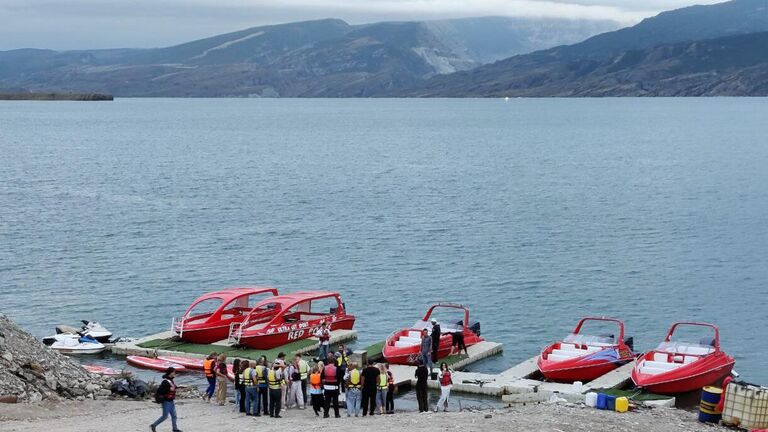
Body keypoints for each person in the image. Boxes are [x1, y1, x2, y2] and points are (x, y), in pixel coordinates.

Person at [150, 367, 182, 432]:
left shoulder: (170, 380)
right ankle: (153, 425)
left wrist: (178, 388)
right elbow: (160, 391)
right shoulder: (165, 382)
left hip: (171, 400)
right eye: (174, 372)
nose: (175, 373)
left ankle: (175, 429)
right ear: (170, 373)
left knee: (174, 415)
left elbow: (173, 388)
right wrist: (169, 389)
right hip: (166, 401)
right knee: (165, 416)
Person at [321, 353, 341, 418]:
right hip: (335, 387)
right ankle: (337, 414)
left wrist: (324, 384)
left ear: (328, 362)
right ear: (334, 362)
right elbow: (339, 378)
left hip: (327, 387)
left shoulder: (325, 368)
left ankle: (325, 414)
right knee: (335, 402)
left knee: (327, 402)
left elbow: (322, 377)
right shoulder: (336, 368)